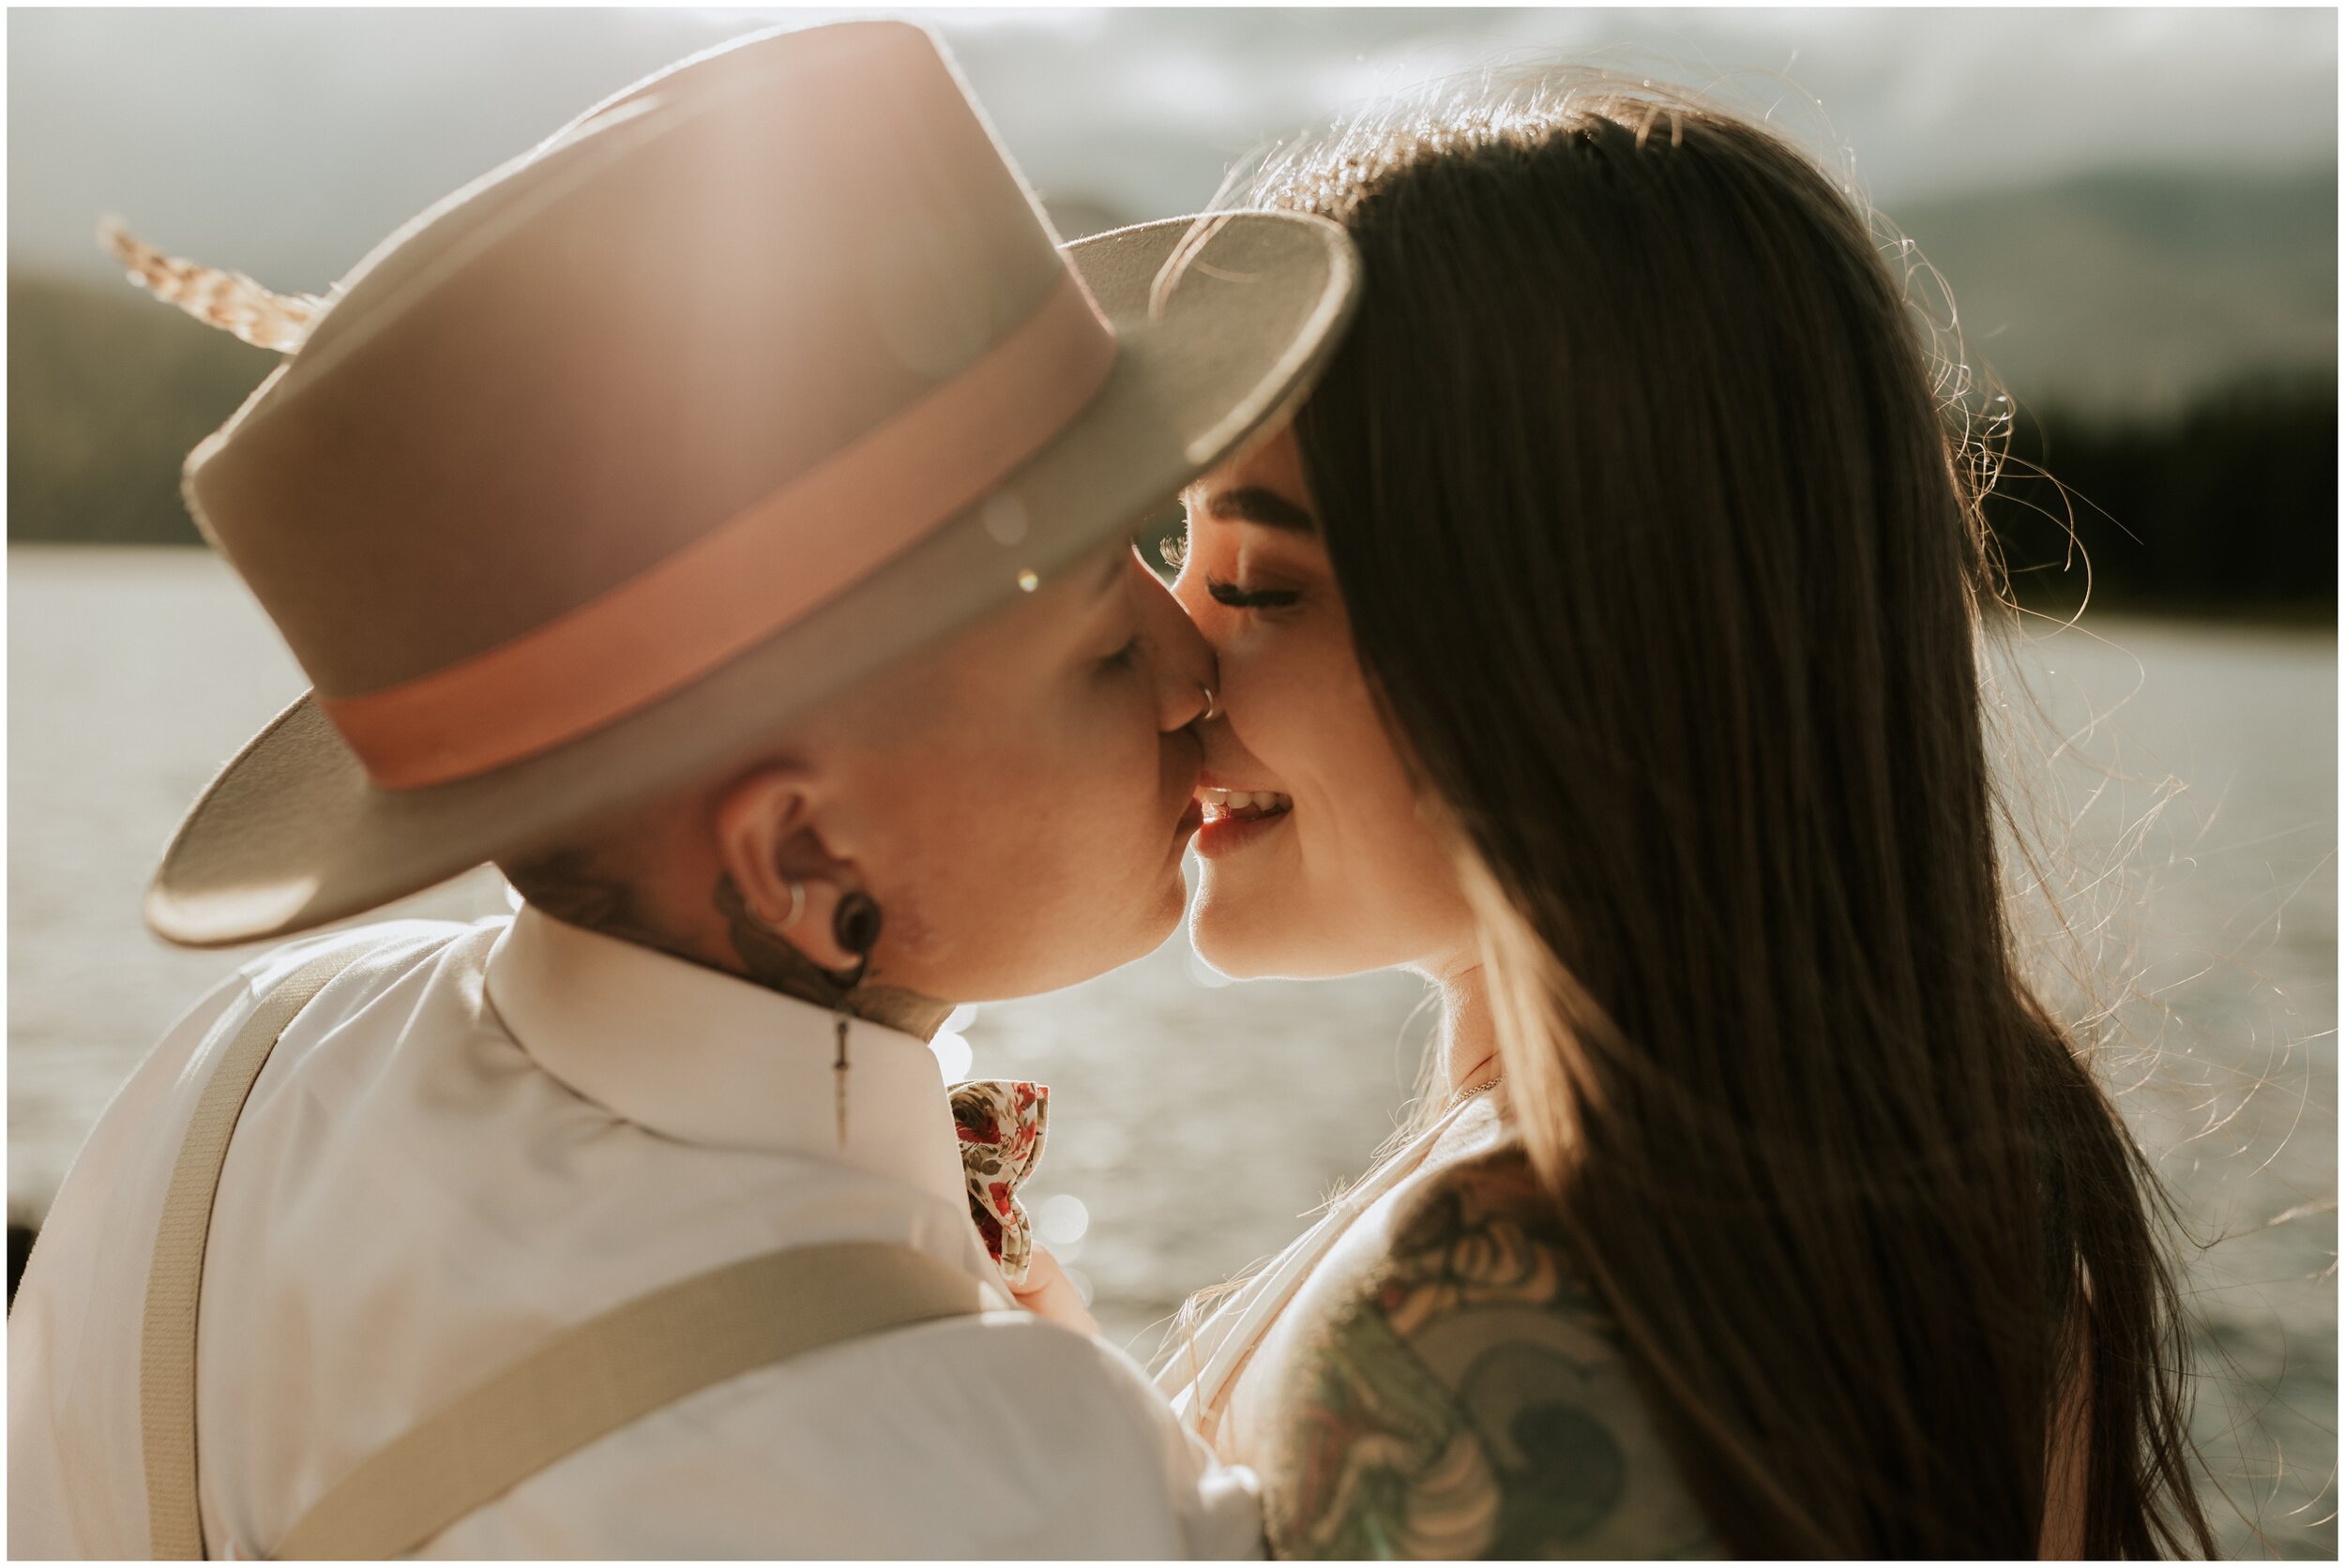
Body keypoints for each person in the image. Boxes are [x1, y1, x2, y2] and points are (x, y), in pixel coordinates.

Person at [8, 23, 1358, 1559]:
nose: (1190, 665)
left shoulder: (242, 1061)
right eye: (1098, 651)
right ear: (799, 851)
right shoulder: (994, 1490)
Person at [1152, 78, 2216, 1559]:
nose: (1168, 649)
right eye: (1168, 547)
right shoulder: (1975, 1190)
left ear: (1580, 631)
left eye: (1259, 585)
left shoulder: (1482, 1322)